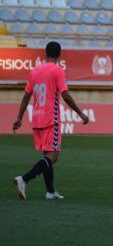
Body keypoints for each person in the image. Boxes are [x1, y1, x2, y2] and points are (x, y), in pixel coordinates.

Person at [12, 42, 89, 200]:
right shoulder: (58, 70)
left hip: (37, 117)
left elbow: (27, 95)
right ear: (59, 54)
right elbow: (65, 94)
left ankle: (50, 191)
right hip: (50, 119)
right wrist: (81, 113)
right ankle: (24, 179)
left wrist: (19, 117)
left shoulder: (34, 71)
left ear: (44, 53)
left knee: (47, 155)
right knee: (53, 156)